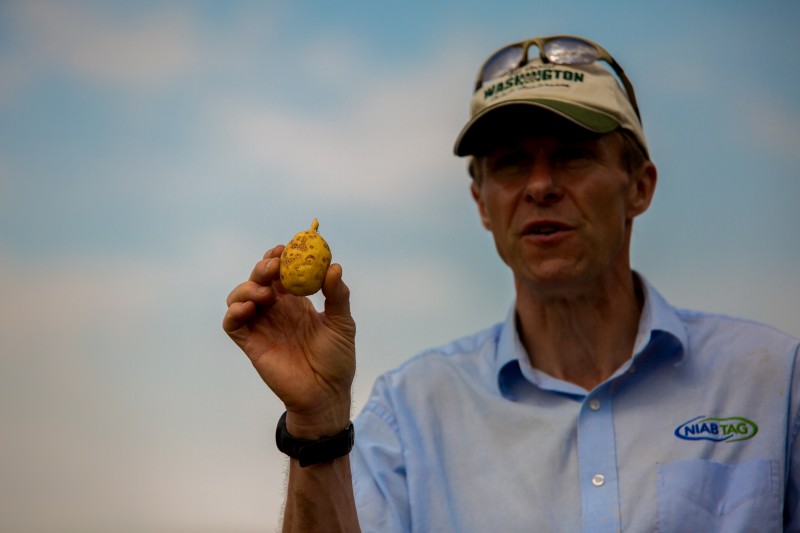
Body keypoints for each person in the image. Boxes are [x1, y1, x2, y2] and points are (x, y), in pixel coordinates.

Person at [223, 34, 800, 531]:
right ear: (481, 203)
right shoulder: (410, 413)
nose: (541, 185)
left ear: (640, 186)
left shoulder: (773, 382)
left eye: (573, 155)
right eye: (510, 163)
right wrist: (317, 426)